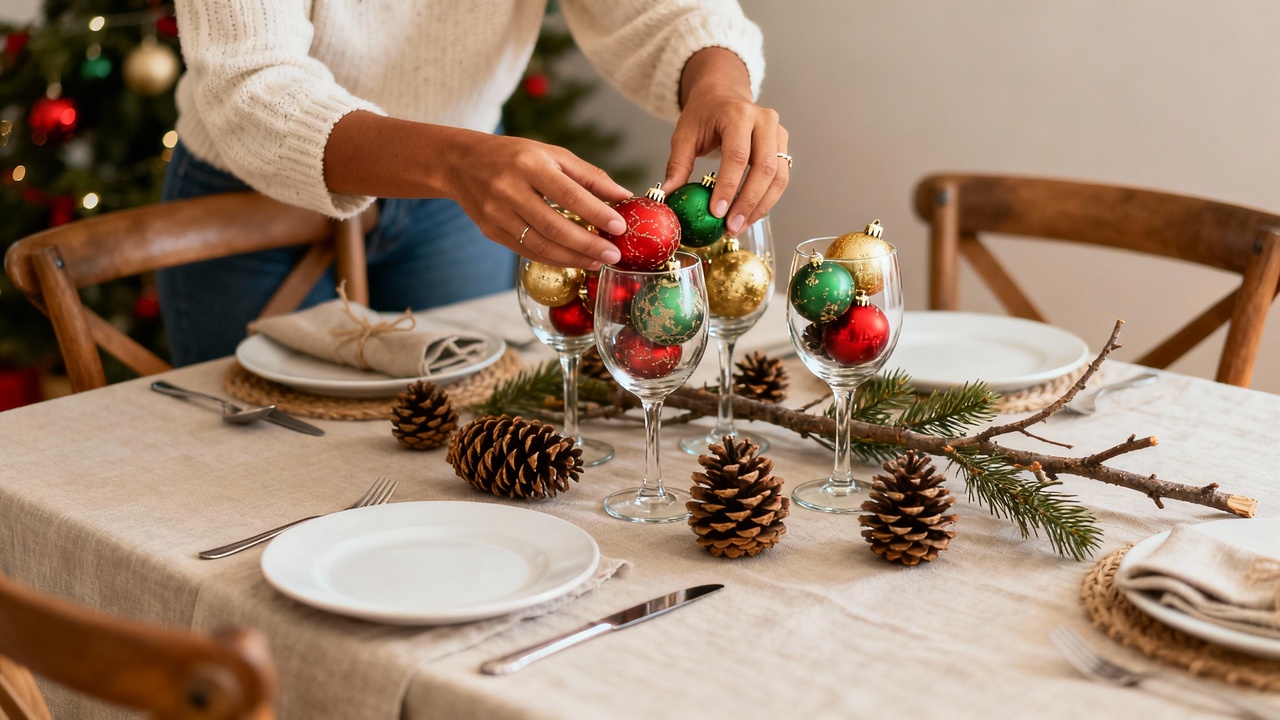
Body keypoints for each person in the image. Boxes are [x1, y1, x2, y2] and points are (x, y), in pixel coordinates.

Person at [159, 0, 790, 366]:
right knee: (254, 466)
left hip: (459, 207)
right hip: (257, 191)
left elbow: (663, 8)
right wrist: (455, 161)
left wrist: (719, 85)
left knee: (456, 434)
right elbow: (246, 79)